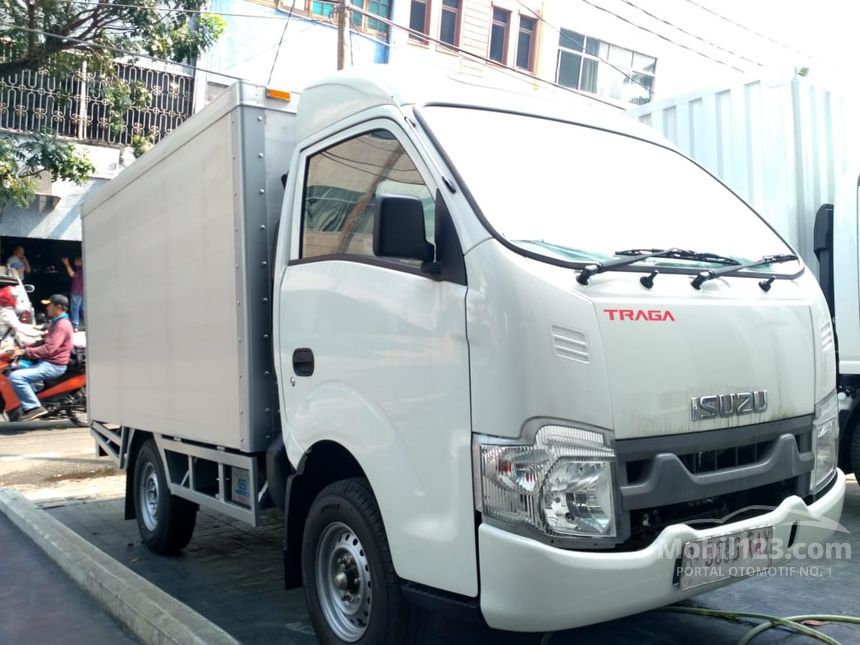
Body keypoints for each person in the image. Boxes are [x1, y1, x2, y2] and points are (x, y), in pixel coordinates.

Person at [8, 294, 74, 421]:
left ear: (58, 307)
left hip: (53, 365)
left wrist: (24, 352)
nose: (47, 308)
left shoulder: (61, 325)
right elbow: (43, 342)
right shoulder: (57, 322)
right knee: (16, 367)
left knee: (16, 377)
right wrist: (25, 346)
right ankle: (30, 398)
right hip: (46, 361)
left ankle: (34, 407)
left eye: (49, 305)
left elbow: (48, 349)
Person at [61, 256, 85, 331]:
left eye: (76, 260)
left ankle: (75, 326)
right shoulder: (85, 268)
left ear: (81, 261)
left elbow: (72, 274)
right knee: (84, 308)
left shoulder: (80, 270)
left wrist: (67, 265)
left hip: (77, 291)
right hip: (85, 292)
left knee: (75, 309)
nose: (74, 262)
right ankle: (87, 324)